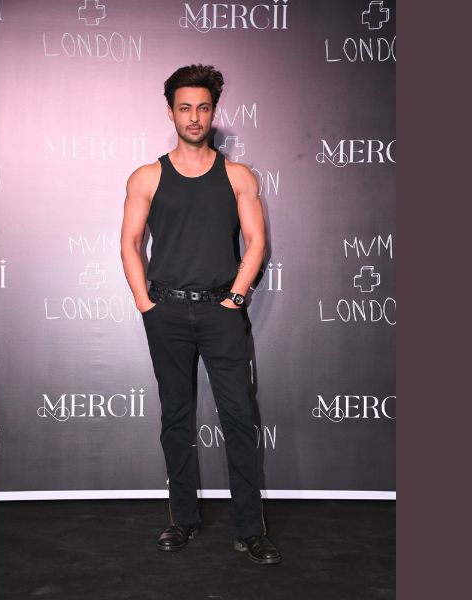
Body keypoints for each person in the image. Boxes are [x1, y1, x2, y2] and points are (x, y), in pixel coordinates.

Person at [120, 64, 281, 565]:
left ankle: (249, 529)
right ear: (171, 112)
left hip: (221, 312)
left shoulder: (238, 176)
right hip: (166, 311)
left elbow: (256, 243)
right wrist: (145, 303)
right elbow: (129, 242)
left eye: (203, 108)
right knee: (176, 416)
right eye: (185, 107)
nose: (194, 117)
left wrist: (235, 299)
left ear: (214, 112)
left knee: (239, 417)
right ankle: (183, 519)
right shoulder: (147, 176)